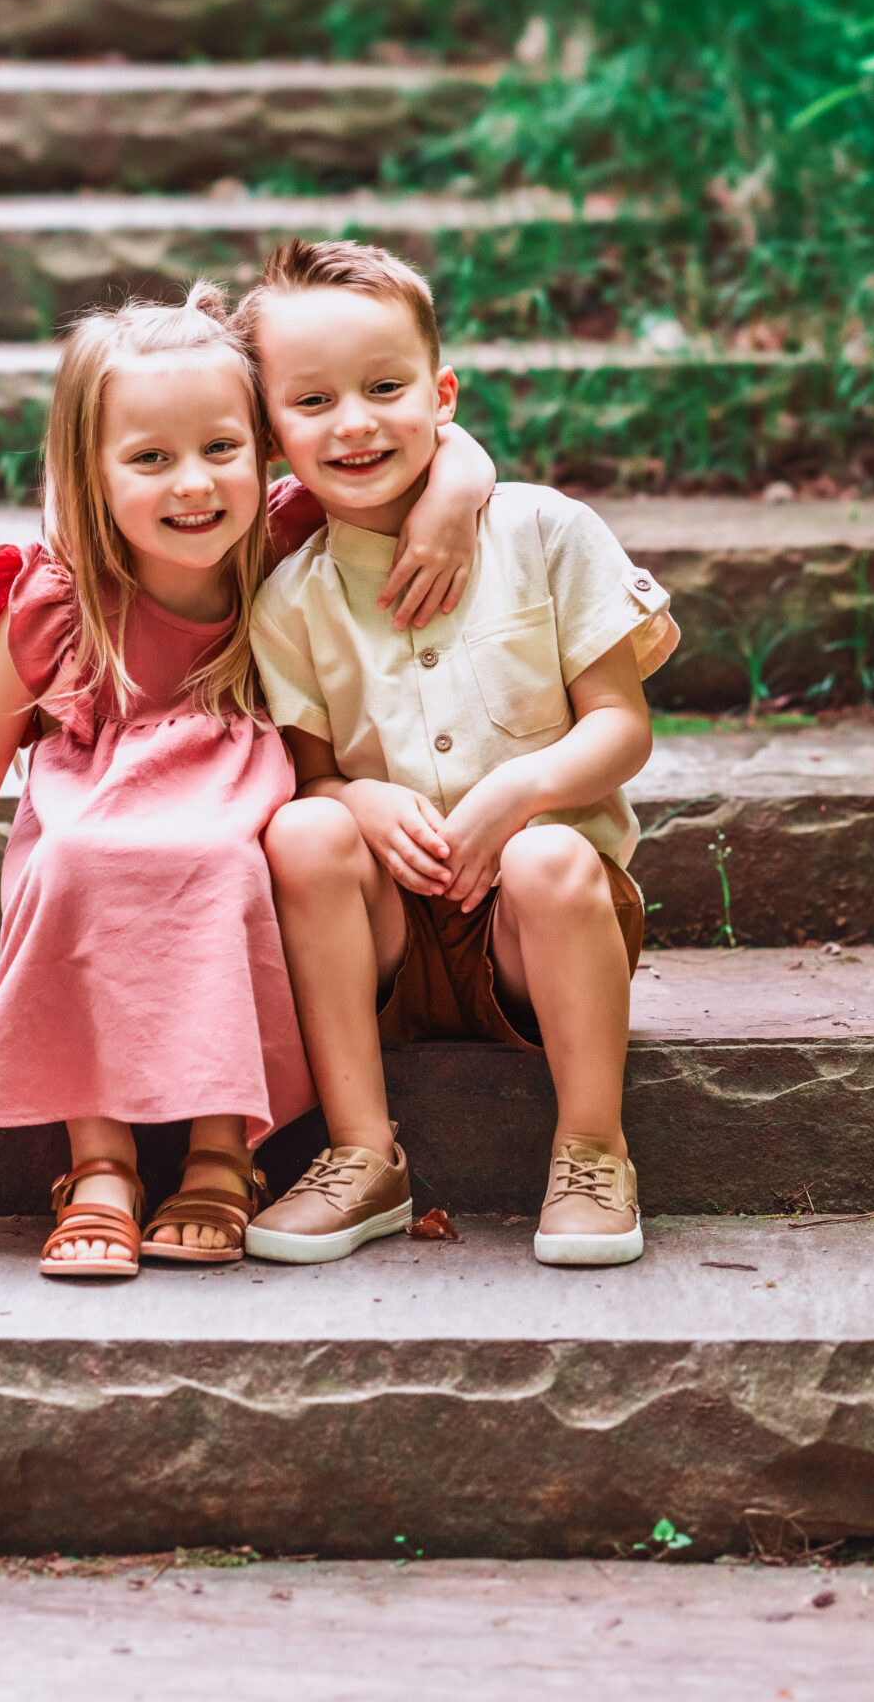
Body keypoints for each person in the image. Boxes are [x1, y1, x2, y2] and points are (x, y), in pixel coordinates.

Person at [0, 280, 493, 1280]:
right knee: (79, 857)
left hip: (236, 782)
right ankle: (98, 1160)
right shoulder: (59, 603)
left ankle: (220, 1151)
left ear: (264, 445)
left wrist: (459, 492)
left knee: (222, 865)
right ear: (89, 470)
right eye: (150, 459)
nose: (194, 485)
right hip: (96, 788)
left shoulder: (280, 535)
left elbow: (427, 443)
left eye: (221, 450)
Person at [238, 239, 679, 1270]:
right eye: (312, 403)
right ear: (271, 434)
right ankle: (361, 1152)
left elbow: (623, 726)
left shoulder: (544, 531)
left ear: (442, 395)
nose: (353, 421)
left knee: (547, 855)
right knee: (301, 828)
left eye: (384, 386)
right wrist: (354, 799)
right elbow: (308, 773)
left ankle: (593, 1148)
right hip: (393, 941)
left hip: (542, 930)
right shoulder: (291, 597)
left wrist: (522, 790)